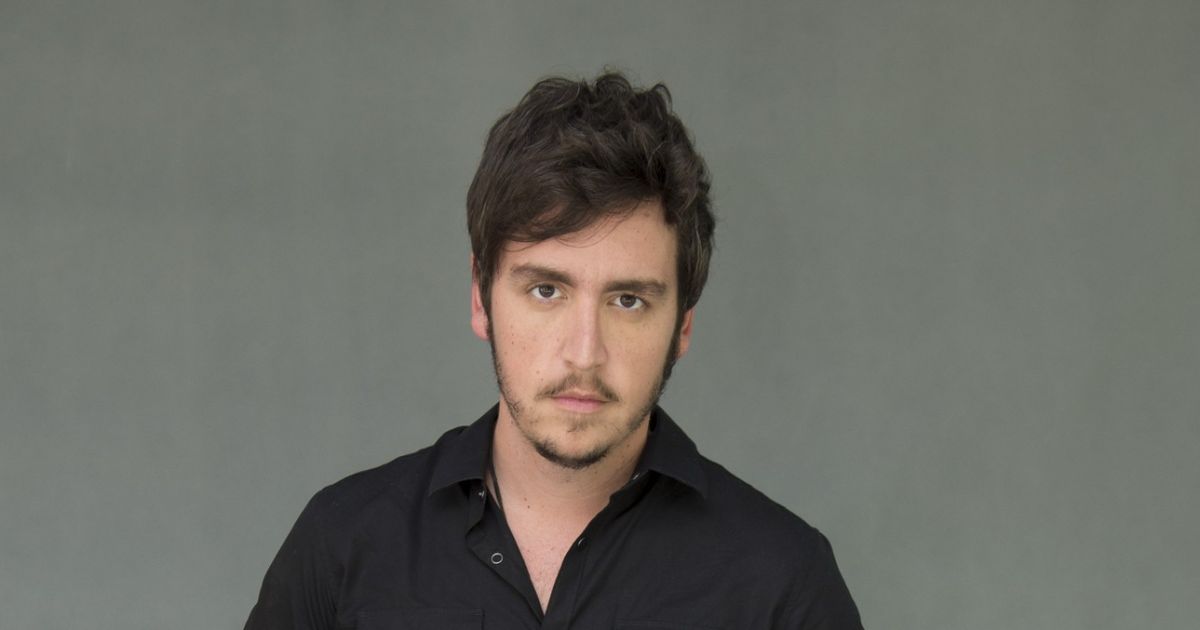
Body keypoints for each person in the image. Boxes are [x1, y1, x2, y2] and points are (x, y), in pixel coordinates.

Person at [245, 71, 864, 629]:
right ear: (482, 298)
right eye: (546, 290)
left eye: (628, 300)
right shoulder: (342, 547)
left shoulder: (783, 583)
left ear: (683, 324)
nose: (584, 353)